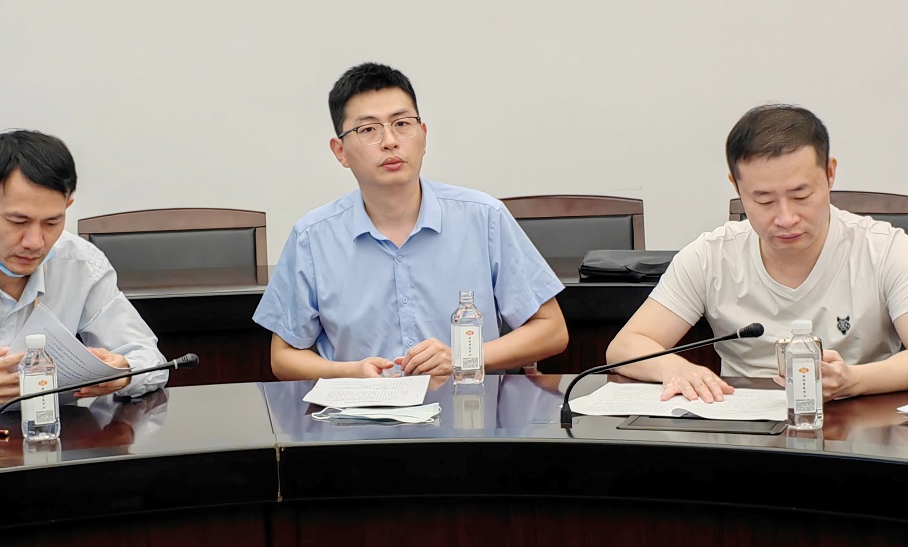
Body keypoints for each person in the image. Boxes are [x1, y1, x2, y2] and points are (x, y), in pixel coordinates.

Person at [253, 62, 568, 380]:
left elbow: (552, 330)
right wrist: (351, 372)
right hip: (362, 411)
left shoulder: (485, 218)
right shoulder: (312, 237)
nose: (390, 141)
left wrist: (461, 358)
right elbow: (283, 357)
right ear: (340, 152)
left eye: (402, 123)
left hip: (468, 407)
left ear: (423, 136)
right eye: (368, 129)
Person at [606, 104, 908, 403]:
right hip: (743, 420)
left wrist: (853, 381)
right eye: (764, 201)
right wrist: (675, 368)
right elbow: (624, 347)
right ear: (736, 186)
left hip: (863, 418)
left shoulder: (885, 250)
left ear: (830, 174)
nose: (786, 218)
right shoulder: (710, 257)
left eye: (801, 195)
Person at [0, 130, 168, 417]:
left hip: (54, 438)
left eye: (52, 222)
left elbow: (151, 361)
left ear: (67, 207)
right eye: (18, 221)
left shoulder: (83, 265)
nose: (35, 242)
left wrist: (125, 373)